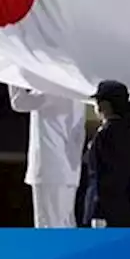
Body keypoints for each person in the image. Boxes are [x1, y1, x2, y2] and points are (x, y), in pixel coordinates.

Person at [9, 86, 84, 228]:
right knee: (65, 223)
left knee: (49, 225)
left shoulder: (52, 89)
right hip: (67, 170)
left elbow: (18, 103)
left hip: (50, 168)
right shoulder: (75, 91)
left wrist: (13, 74)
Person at [82, 80, 130, 228]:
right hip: (126, 205)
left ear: (105, 105)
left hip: (104, 207)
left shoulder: (105, 134)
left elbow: (100, 172)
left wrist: (97, 209)